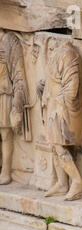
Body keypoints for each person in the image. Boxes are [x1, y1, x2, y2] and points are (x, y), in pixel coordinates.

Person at [37, 39, 82, 201]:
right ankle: (62, 182)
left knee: (59, 146)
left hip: (62, 108)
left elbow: (72, 87)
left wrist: (59, 105)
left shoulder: (68, 54)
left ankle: (78, 183)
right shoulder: (57, 54)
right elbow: (51, 78)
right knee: (53, 145)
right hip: (54, 105)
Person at [0, 28, 27, 184]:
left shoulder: (9, 40)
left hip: (4, 92)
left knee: (5, 133)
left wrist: (17, 102)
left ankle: (6, 170)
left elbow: (18, 74)